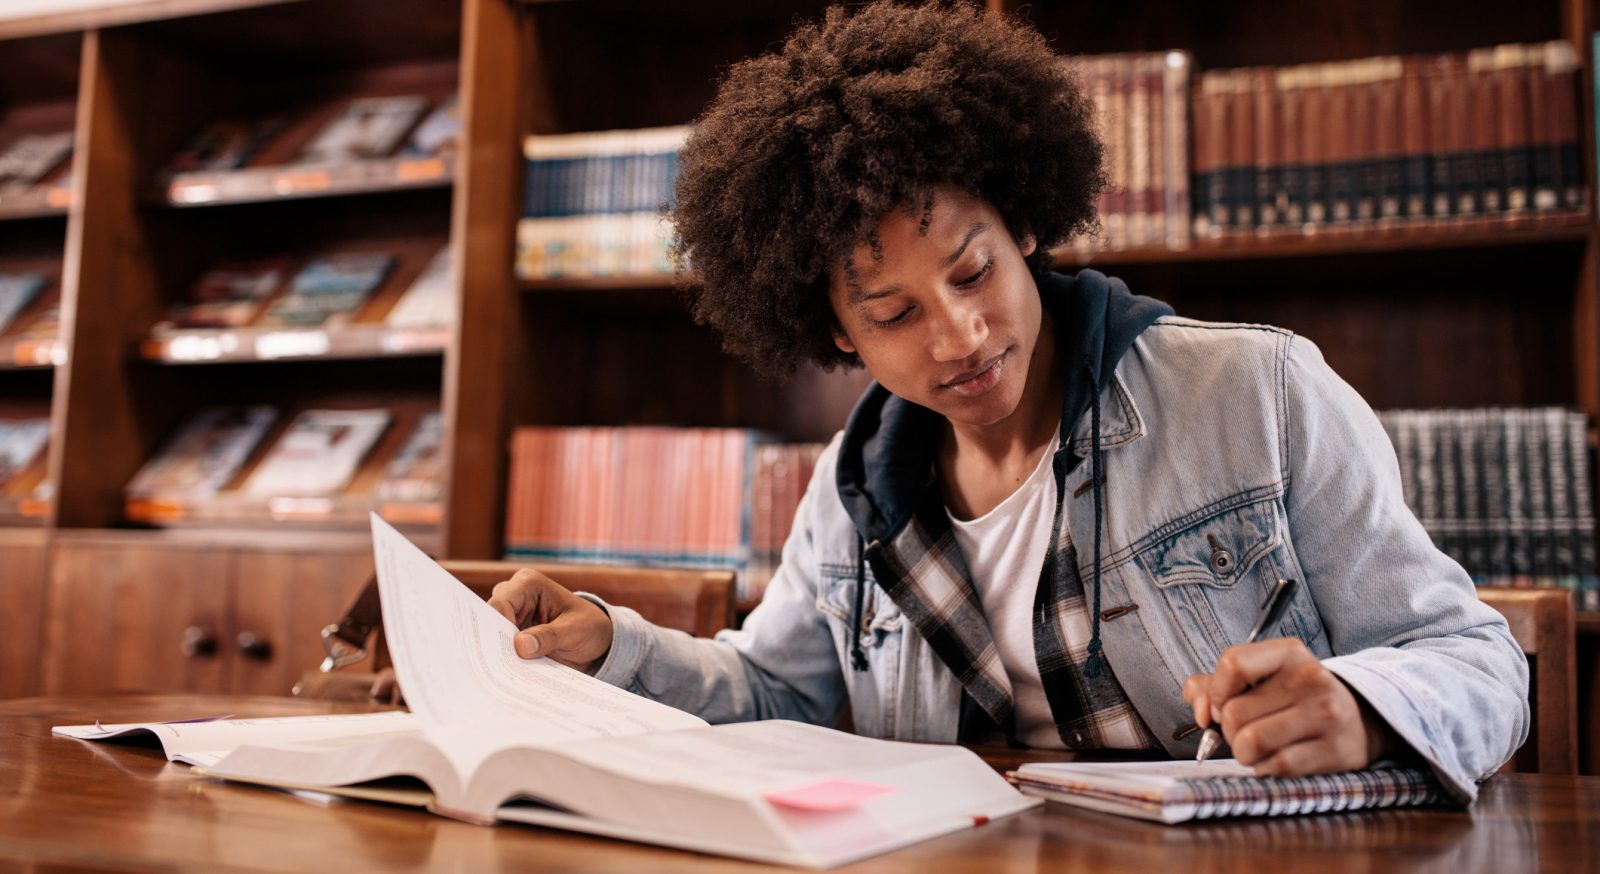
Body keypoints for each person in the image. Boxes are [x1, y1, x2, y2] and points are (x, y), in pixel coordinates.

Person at [484, 0, 1527, 801]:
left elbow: (1480, 665)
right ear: (836, 333)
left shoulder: (1260, 393)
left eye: (973, 272)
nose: (961, 336)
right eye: (893, 314)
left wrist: (1361, 709)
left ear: (1024, 224)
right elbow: (777, 692)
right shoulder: (854, 491)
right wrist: (607, 643)